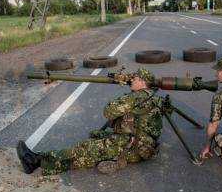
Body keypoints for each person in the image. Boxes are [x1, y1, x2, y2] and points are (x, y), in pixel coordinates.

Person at [17, 68, 164, 175]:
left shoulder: (137, 97)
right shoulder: (153, 96)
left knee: (85, 148)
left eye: (136, 79)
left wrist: (125, 97)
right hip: (143, 146)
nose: (132, 80)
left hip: (133, 145)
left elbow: (109, 112)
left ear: (143, 82)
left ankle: (36, 159)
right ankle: (42, 165)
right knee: (87, 157)